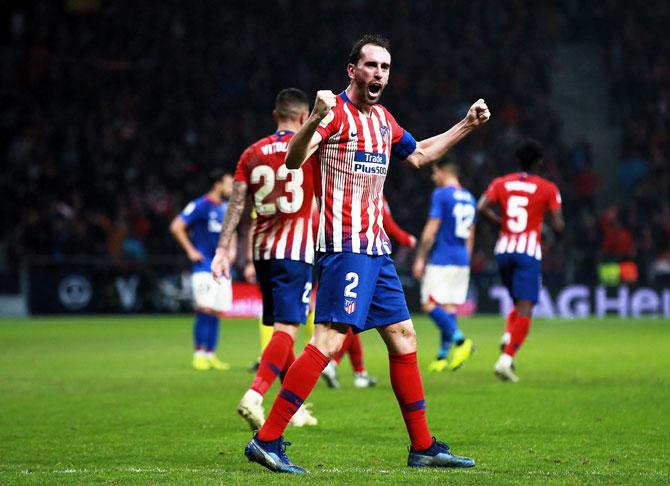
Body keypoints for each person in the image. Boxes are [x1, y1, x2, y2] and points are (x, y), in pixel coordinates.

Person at [230, 34, 490, 474]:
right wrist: (314, 118)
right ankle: (268, 439)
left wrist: (466, 124)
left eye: (385, 68)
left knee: (404, 337)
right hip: (345, 247)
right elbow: (294, 160)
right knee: (327, 342)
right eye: (370, 66)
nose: (378, 74)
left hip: (377, 251)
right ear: (352, 70)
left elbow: (421, 154)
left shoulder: (384, 120)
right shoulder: (334, 116)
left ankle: (423, 446)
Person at [211, 88, 319, 431]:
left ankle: (295, 406)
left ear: (276, 116)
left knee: (279, 329)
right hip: (296, 250)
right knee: (289, 328)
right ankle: (255, 395)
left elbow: (237, 205)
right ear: (303, 117)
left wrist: (221, 250)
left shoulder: (252, 152)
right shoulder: (312, 147)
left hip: (262, 250)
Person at [478, 139, 564, 382]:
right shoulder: (548, 188)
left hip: (504, 250)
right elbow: (559, 226)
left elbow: (482, 207)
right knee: (526, 307)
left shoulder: (501, 182)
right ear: (539, 163)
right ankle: (506, 360)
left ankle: (508, 335)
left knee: (518, 300)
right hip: (527, 251)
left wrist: (499, 223)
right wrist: (552, 231)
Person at [321, 196, 416, 389]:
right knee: (343, 324)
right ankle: (333, 365)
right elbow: (386, 222)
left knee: (349, 321)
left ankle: (358, 373)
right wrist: (407, 239)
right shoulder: (372, 189)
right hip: (359, 255)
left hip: (342, 252)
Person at [412, 160, 476, 373]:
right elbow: (471, 236)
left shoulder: (441, 195)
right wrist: (466, 261)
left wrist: (420, 258)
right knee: (448, 307)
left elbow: (431, 230)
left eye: (434, 172)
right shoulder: (469, 198)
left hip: (442, 258)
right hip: (462, 259)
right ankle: (442, 356)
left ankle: (461, 341)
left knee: (428, 304)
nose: (433, 176)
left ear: (444, 171)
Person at [169, 170, 234, 371]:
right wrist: (190, 250)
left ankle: (210, 354)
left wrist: (231, 251)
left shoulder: (226, 208)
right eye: (229, 184)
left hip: (222, 268)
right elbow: (176, 225)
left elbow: (233, 232)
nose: (232, 188)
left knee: (216, 310)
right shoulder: (201, 205)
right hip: (204, 266)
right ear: (217, 185)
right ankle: (198, 354)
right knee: (204, 308)